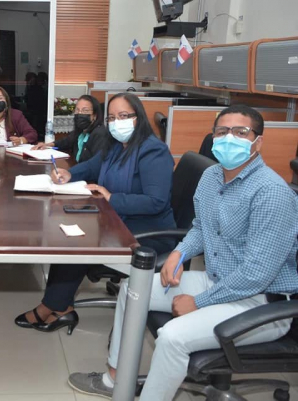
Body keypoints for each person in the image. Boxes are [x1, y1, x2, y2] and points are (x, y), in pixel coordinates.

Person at [67, 105, 298, 401]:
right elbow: (201, 227)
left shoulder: (271, 193)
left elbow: (257, 274)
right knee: (133, 289)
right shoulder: (213, 176)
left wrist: (199, 302)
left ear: (258, 142)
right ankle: (114, 379)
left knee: (173, 336)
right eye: (222, 132)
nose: (229, 138)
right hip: (219, 280)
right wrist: (179, 252)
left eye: (241, 132)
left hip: (261, 303)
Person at [15, 92, 176, 334]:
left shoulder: (153, 151)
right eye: (111, 117)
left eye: (124, 116)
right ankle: (60, 305)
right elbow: (93, 165)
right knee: (66, 233)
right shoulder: (116, 146)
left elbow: (156, 202)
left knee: (78, 241)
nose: (117, 122)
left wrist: (111, 198)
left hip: (149, 230)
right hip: (117, 219)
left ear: (138, 117)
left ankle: (54, 306)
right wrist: (70, 174)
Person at [32, 95, 108, 163]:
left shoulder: (100, 134)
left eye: (85, 110)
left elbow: (95, 164)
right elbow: (65, 142)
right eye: (77, 110)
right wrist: (47, 145)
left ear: (94, 115)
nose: (80, 113)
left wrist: (70, 172)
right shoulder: (81, 132)